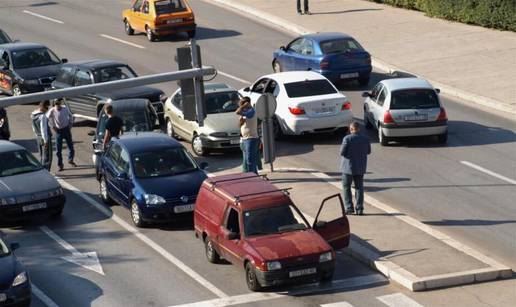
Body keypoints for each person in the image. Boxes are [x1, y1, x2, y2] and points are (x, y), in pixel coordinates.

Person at [340, 122, 371, 215]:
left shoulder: (347, 138)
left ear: (351, 129)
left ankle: (349, 208)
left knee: (346, 187)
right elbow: (369, 151)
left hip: (347, 168)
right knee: (359, 188)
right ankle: (360, 209)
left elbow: (342, 152)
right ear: (359, 128)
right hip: (360, 167)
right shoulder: (365, 138)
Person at [47, 99, 76, 171]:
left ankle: (70, 160)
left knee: (71, 147)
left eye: (58, 103)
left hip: (66, 129)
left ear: (60, 103)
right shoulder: (52, 110)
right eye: (56, 104)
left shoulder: (65, 109)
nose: (57, 105)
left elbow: (71, 116)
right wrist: (52, 126)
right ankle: (60, 165)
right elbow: (46, 119)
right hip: (58, 131)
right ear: (54, 104)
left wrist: (70, 124)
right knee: (58, 150)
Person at [236, 97, 260, 174]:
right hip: (245, 139)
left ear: (246, 103)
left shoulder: (251, 111)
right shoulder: (246, 113)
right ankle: (254, 176)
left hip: (251, 139)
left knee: (250, 161)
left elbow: (237, 112)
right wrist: (241, 121)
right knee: (248, 161)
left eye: (241, 104)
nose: (240, 105)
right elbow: (240, 125)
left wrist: (242, 107)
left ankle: (252, 178)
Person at [31, 100, 52, 170]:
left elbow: (33, 128)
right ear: (43, 107)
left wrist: (37, 135)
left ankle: (41, 168)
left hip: (38, 137)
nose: (47, 110)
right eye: (47, 108)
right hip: (44, 137)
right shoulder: (42, 116)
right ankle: (46, 170)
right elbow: (44, 129)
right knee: (47, 156)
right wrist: (45, 140)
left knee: (41, 154)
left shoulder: (33, 115)